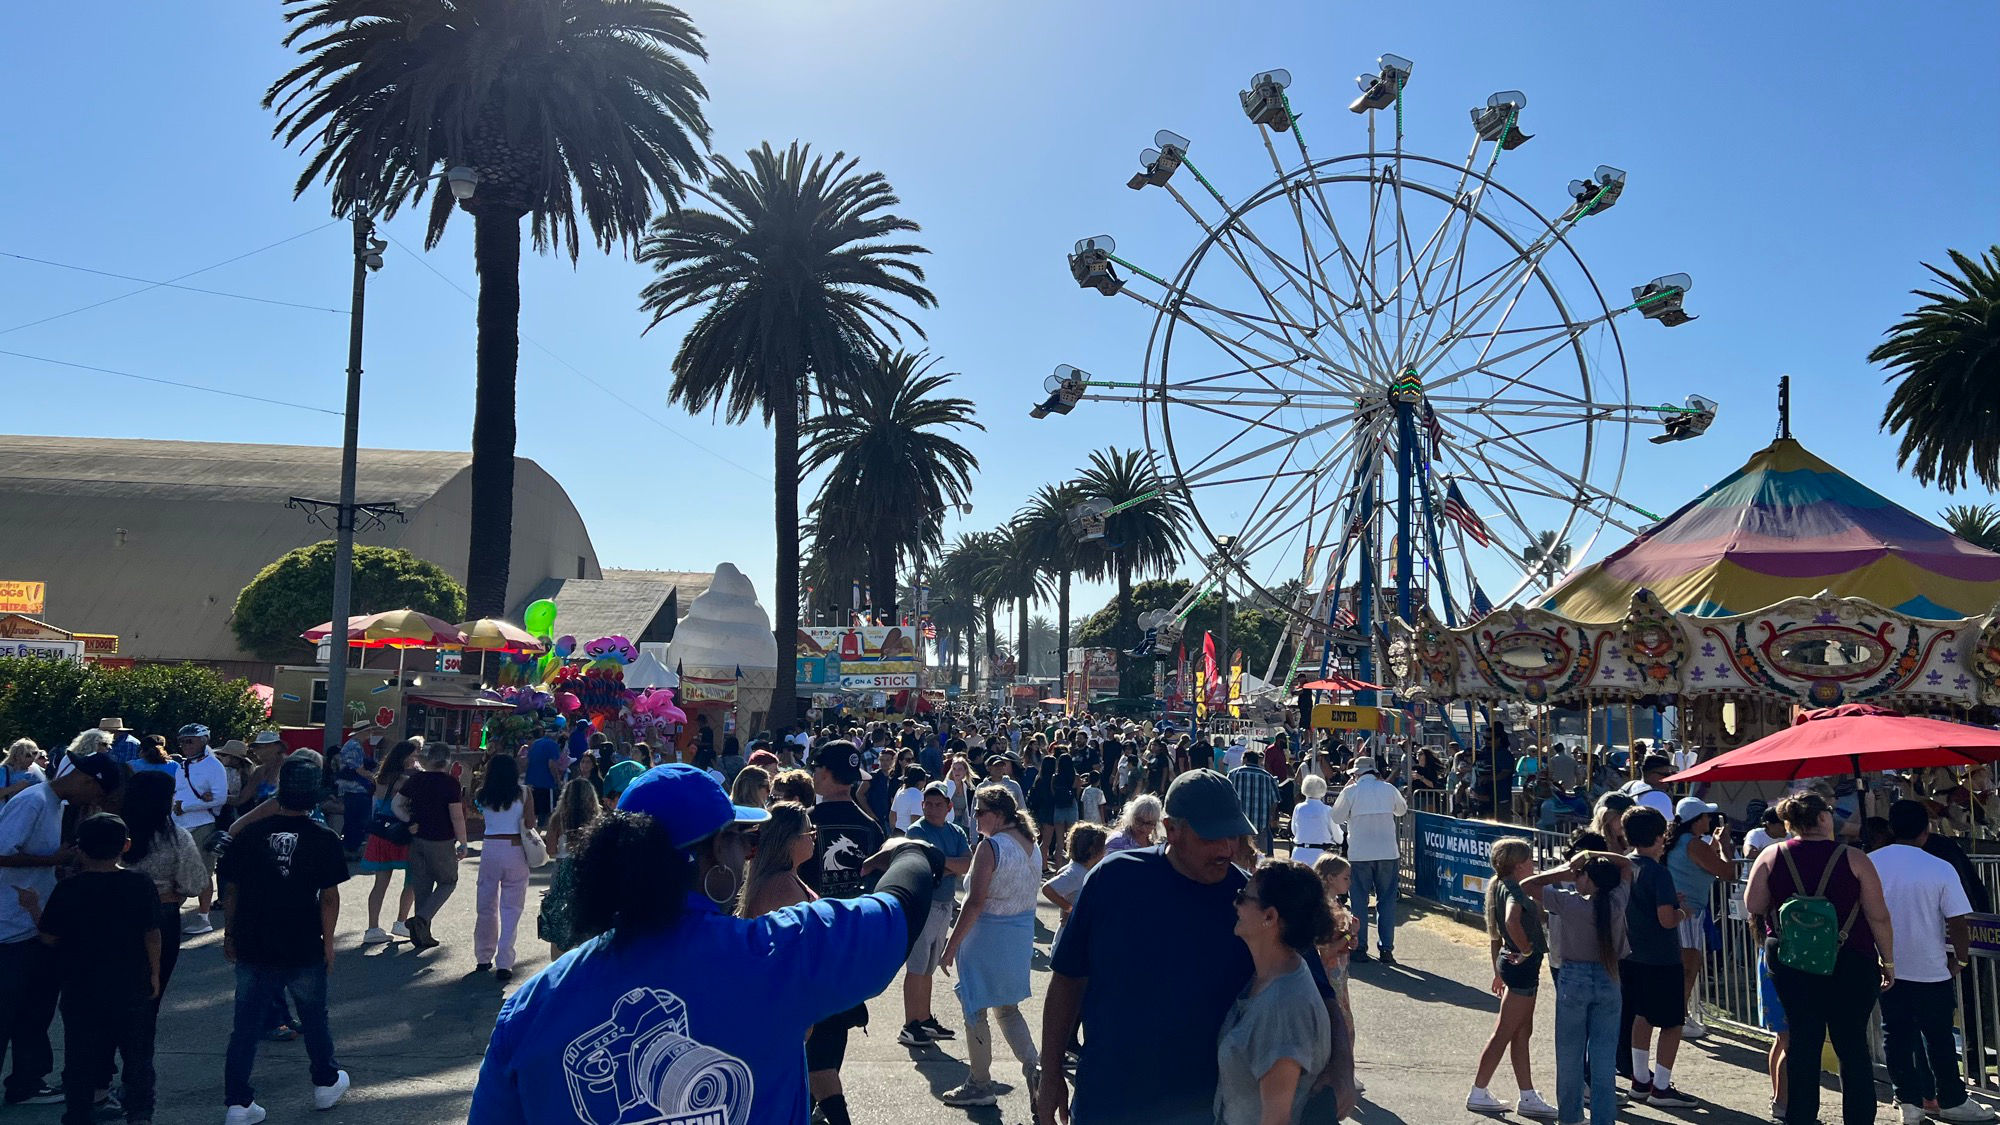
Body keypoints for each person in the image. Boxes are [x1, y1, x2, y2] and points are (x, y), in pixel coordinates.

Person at [469, 763, 946, 1124]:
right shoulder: (777, 954)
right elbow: (900, 910)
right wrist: (911, 849)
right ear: (717, 853)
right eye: (744, 840)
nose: (748, 854)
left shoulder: (535, 1003)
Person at [1036, 769, 1258, 1125]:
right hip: (1110, 1100)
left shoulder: (1252, 901)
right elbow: (1067, 979)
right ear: (1172, 829)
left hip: (1206, 1108)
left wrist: (1341, 1065)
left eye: (1233, 835)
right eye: (1211, 837)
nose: (1226, 848)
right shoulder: (1114, 878)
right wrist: (1050, 1073)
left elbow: (1311, 988)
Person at [1745, 790, 1895, 1125]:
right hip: (1851, 959)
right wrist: (1888, 961)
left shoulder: (1772, 855)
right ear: (1824, 818)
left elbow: (1753, 905)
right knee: (1852, 1043)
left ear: (1789, 822)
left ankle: (1800, 1116)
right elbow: (1878, 915)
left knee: (1803, 1040)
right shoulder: (1854, 858)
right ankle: (1858, 1118)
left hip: (1791, 960)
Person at [216, 750, 351, 1123]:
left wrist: (230, 934)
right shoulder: (324, 837)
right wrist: (328, 944)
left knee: (245, 1024)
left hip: (254, 938)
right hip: (303, 938)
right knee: (314, 1016)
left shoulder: (251, 834)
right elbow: (329, 897)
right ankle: (324, 1080)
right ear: (315, 795)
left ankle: (238, 1101)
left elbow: (232, 891)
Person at [0, 751, 123, 1108]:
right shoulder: (34, 801)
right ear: (87, 781)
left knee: (34, 1009)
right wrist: (54, 860)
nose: (94, 803)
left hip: (32, 925)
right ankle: (25, 1080)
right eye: (96, 795)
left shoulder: (53, 803)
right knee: (8, 1010)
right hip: (9, 927)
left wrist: (54, 870)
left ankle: (26, 1082)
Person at [26, 814, 159, 1125]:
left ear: (80, 849)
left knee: (80, 1054)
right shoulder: (140, 883)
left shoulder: (69, 888)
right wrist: (154, 971)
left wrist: (33, 907)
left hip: (81, 984)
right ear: (126, 845)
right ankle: (140, 1112)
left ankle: (79, 1111)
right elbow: (152, 932)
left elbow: (49, 936)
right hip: (130, 979)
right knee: (138, 1054)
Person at [1871, 801, 1988, 1124]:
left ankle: (1908, 1101)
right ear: (1926, 831)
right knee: (1938, 1036)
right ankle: (1951, 1098)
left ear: (1892, 828)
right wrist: (1961, 959)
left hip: (1886, 963)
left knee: (1895, 1035)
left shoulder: (1869, 863)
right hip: (1931, 964)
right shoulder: (1939, 867)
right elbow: (1958, 921)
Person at [937, 785, 1044, 1107]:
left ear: (998, 815)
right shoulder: (1031, 844)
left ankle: (980, 1084)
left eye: (980, 812)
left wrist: (951, 946)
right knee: (1008, 1008)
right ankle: (1034, 1067)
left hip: (986, 936)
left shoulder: (991, 847)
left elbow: (974, 903)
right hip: (1018, 935)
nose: (975, 818)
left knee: (975, 1007)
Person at [801, 741, 887, 1125]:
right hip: (852, 942)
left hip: (807, 939)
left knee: (806, 1043)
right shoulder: (871, 827)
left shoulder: (805, 823)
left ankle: (823, 1109)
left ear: (822, 773)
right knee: (834, 1030)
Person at [1214, 859, 1334, 1125]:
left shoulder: (1285, 1008)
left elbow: (1276, 1120)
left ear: (1270, 917)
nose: (1235, 903)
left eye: (1243, 897)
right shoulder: (1273, 975)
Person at [1532, 848, 1633, 1125]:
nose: (1575, 878)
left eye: (1580, 875)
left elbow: (1528, 884)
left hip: (1573, 978)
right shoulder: (1617, 900)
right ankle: (1604, 1120)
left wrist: (1565, 869)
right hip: (1609, 976)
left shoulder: (1568, 902)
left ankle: (1571, 1117)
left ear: (1590, 880)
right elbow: (1626, 864)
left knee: (1569, 1056)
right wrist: (1594, 853)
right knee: (1603, 1059)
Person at [1465, 839, 1560, 1119]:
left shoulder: (1500, 885)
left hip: (1515, 967)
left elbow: (1498, 930)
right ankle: (1478, 1091)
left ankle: (1527, 1095)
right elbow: (1510, 922)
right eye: (1530, 861)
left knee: (1521, 1033)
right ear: (1519, 865)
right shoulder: (1514, 890)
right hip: (1521, 967)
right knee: (1504, 1033)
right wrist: (1527, 949)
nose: (1534, 865)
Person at [901, 783, 972, 1047]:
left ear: (949, 807)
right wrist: (948, 865)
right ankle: (910, 1025)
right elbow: (927, 862)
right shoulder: (917, 829)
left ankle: (924, 1018)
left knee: (929, 967)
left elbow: (967, 864)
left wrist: (945, 865)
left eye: (938, 804)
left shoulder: (955, 831)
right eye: (927, 804)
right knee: (917, 967)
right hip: (923, 904)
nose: (932, 809)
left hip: (944, 905)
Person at [1663, 797, 1733, 1039]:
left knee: (1687, 965)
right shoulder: (1693, 844)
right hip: (1688, 913)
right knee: (1688, 965)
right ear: (1697, 819)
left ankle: (1678, 1015)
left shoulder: (1684, 842)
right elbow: (1727, 872)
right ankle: (1678, 1018)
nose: (1709, 819)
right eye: (1705, 816)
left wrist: (1713, 845)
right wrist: (1725, 847)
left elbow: (1702, 862)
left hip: (1686, 911)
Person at [1330, 756, 1408, 965]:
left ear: (1356, 774)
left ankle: (1360, 946)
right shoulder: (1388, 789)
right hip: (1387, 852)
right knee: (1387, 901)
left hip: (1360, 853)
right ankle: (1386, 949)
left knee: (1359, 902)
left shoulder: (1351, 791)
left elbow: (1336, 817)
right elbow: (1402, 810)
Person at [473, 752, 539, 983]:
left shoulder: (482, 793)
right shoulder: (523, 792)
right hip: (514, 848)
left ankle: (483, 955)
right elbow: (530, 824)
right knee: (512, 908)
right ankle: (505, 961)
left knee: (486, 905)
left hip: (491, 847)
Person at [360, 738, 420, 945]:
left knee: (380, 883)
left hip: (380, 832)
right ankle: (401, 921)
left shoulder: (381, 777)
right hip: (401, 832)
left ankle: (372, 927)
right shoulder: (405, 780)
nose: (415, 759)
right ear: (403, 757)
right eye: (412, 756)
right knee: (412, 879)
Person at [173, 723, 231, 936]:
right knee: (177, 869)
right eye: (182, 741)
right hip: (179, 825)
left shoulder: (213, 766)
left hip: (201, 824)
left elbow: (220, 797)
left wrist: (186, 806)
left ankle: (203, 917)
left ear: (204, 741)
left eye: (190, 740)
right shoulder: (183, 765)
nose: (185, 745)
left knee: (202, 871)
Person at [536, 777, 602, 960]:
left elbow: (550, 850)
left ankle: (557, 964)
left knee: (559, 918)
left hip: (563, 867)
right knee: (588, 915)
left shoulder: (559, 819)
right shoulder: (597, 818)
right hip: (588, 867)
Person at [1041, 822, 1109, 929]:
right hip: (1071, 934)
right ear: (1094, 850)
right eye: (1103, 847)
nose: (1105, 851)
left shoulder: (1079, 867)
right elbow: (1048, 889)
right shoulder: (1076, 872)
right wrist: (1071, 909)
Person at [333, 723, 384, 857]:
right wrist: (374, 778)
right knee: (357, 819)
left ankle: (350, 847)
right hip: (355, 788)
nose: (370, 733)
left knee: (354, 819)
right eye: (369, 731)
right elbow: (358, 770)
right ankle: (351, 848)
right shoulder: (354, 746)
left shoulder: (355, 745)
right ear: (361, 732)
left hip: (355, 788)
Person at [1288, 773, 1343, 871]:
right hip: (1319, 856)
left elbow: (1294, 831)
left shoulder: (1298, 808)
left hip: (1299, 853)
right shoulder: (1327, 810)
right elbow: (1338, 838)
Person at [1230, 750, 1280, 855]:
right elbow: (1275, 800)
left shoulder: (1234, 774)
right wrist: (1270, 817)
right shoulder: (1268, 777)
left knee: (1238, 858)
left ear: (1245, 759)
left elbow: (1226, 797)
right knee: (1259, 859)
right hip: (1261, 825)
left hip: (1239, 825)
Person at [523, 724, 563, 822]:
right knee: (546, 815)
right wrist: (557, 780)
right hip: (545, 784)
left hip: (531, 782)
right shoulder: (553, 745)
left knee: (533, 813)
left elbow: (527, 762)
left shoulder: (535, 743)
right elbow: (551, 765)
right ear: (557, 733)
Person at [890, 765, 930, 833]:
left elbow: (892, 814)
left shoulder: (900, 791)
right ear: (920, 782)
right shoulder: (917, 795)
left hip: (897, 832)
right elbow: (915, 819)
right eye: (924, 779)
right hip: (909, 835)